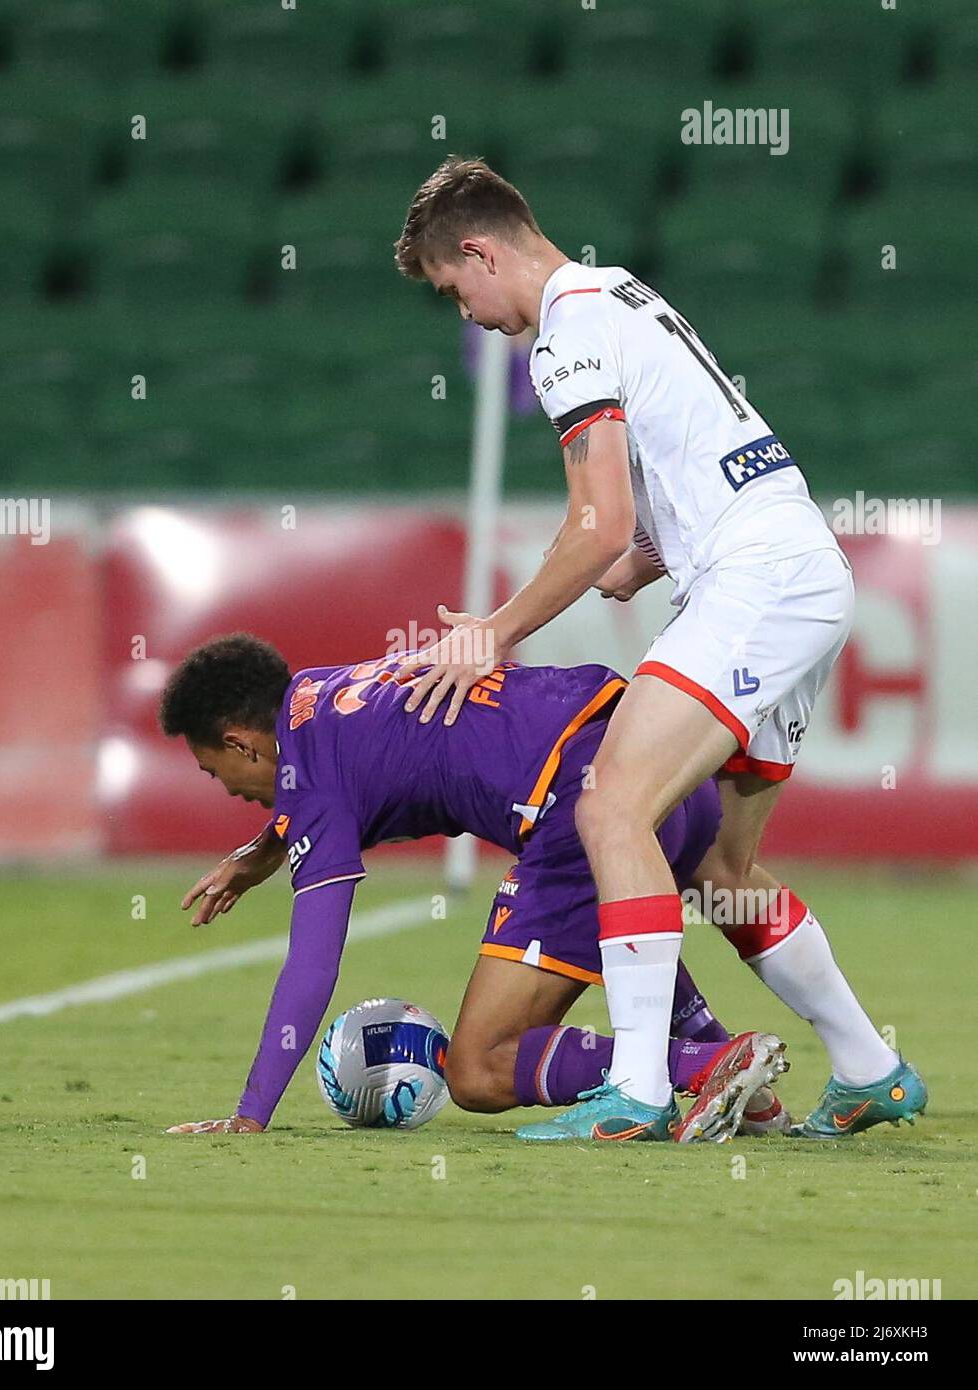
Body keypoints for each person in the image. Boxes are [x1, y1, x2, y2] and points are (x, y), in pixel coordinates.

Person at [392, 155, 925, 1140]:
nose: (462, 312)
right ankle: (870, 1065)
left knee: (611, 804)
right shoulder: (621, 293)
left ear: (479, 249)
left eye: (451, 289)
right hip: (798, 563)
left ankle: (635, 1088)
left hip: (755, 580)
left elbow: (592, 521)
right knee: (720, 868)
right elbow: (681, 471)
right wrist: (646, 555)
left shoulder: (564, 334)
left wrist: (493, 633)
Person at [158, 633, 789, 1144]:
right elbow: (338, 772)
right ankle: (747, 1090)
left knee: (478, 1067)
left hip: (578, 798)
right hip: (658, 760)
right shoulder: (325, 690)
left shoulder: (311, 782)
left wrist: (251, 1112)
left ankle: (703, 1064)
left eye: (220, 772)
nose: (232, 791)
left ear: (241, 742)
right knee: (608, 925)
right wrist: (266, 847)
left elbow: (313, 962)